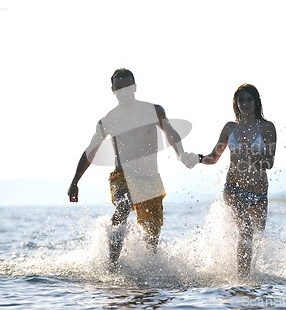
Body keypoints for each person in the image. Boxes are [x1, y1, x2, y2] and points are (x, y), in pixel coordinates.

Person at [67, 68, 193, 268]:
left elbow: (171, 133)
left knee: (152, 235)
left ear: (135, 87)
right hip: (122, 176)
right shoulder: (109, 120)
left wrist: (182, 154)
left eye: (127, 87)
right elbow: (91, 151)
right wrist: (75, 181)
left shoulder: (154, 111)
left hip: (150, 178)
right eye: (119, 88)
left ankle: (148, 270)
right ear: (113, 91)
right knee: (124, 204)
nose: (124, 92)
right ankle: (112, 266)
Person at [194, 83, 276, 278]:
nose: (245, 104)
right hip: (234, 189)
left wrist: (253, 154)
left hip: (259, 193)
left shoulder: (266, 127)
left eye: (249, 99)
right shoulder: (230, 128)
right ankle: (242, 279)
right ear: (235, 103)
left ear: (257, 102)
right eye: (241, 100)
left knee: (256, 237)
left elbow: (269, 163)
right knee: (246, 231)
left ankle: (249, 274)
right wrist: (196, 158)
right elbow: (213, 158)